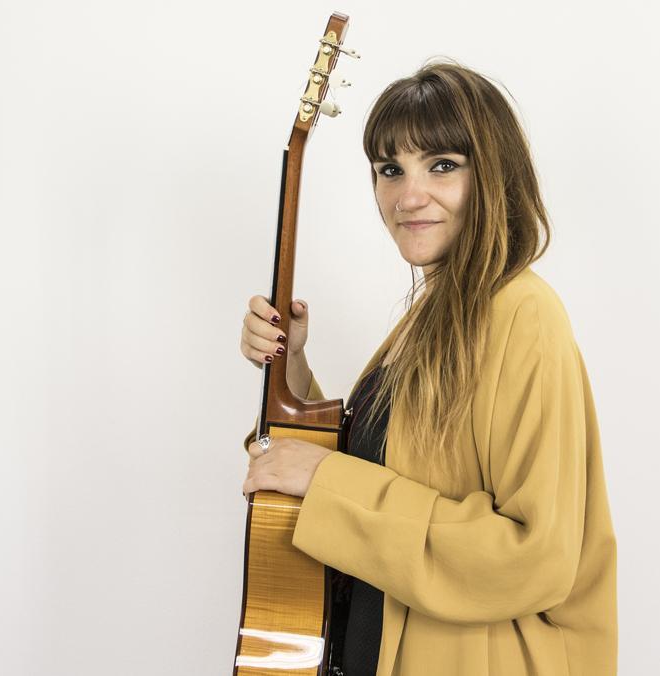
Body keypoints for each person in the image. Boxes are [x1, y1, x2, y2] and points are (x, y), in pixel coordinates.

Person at [237, 59, 616, 676]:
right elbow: (381, 463)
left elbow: (534, 556)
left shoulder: (523, 314)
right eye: (390, 170)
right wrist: (293, 366)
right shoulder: (434, 316)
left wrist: (328, 480)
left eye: (442, 165)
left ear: (492, 174)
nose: (408, 196)